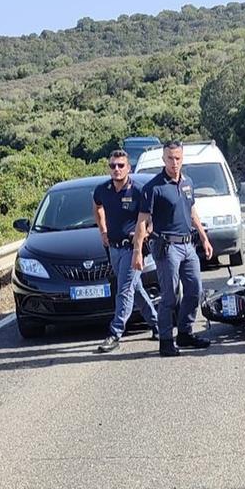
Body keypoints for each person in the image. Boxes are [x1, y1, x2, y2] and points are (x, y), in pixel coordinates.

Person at [132, 141, 214, 357]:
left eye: (178, 158)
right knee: (170, 296)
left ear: (182, 158)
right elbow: (142, 222)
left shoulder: (188, 182)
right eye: (170, 158)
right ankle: (166, 341)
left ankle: (185, 333)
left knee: (195, 290)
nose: (174, 162)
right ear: (163, 159)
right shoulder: (153, 187)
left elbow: (192, 212)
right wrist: (137, 252)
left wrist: (204, 238)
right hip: (167, 248)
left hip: (189, 246)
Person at [93, 150, 157, 353]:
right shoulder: (102, 190)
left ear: (129, 168)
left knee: (124, 291)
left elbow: (150, 220)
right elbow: (97, 206)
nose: (116, 169)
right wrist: (102, 229)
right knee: (134, 289)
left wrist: (143, 235)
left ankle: (115, 333)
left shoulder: (138, 191)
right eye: (113, 166)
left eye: (121, 165)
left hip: (133, 249)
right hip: (114, 249)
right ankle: (157, 324)